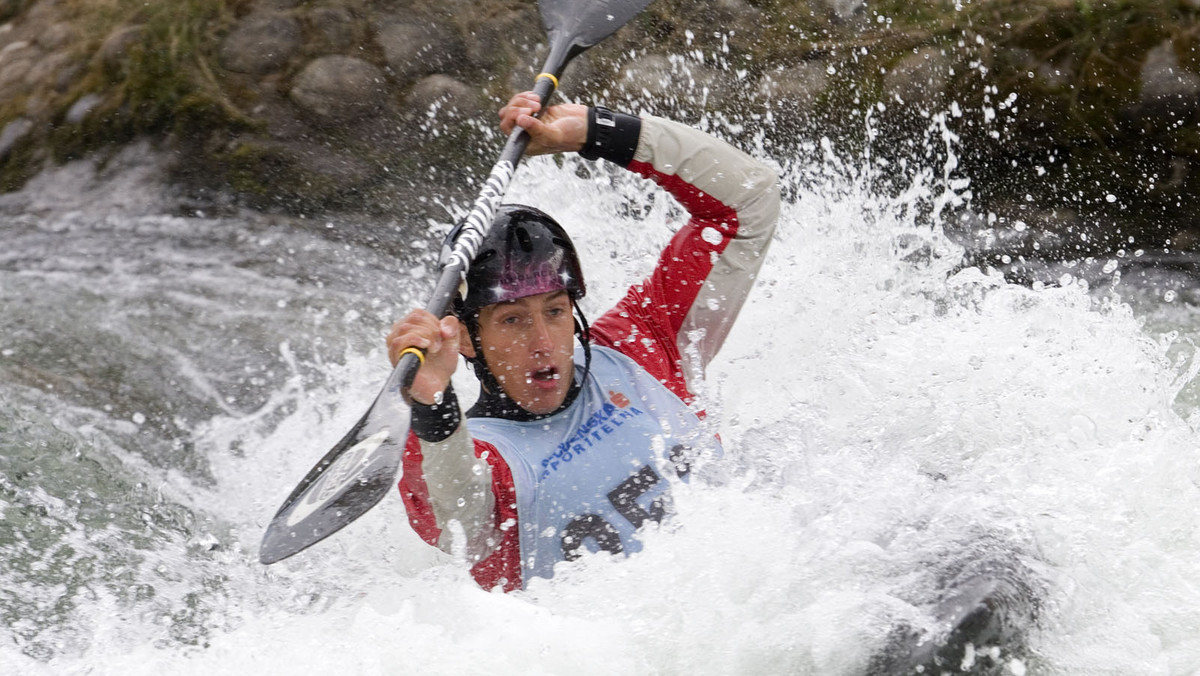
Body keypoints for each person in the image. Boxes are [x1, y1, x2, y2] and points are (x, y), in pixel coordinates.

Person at [386, 91, 780, 592]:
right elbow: (459, 526)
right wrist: (432, 403)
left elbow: (749, 198)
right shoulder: (485, 459)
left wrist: (596, 133)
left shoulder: (644, 345)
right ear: (464, 336)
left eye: (555, 311)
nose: (545, 341)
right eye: (512, 320)